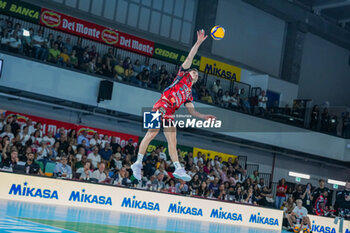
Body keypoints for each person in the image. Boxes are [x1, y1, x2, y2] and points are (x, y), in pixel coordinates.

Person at [131, 30, 215, 182]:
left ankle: (178, 168)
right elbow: (190, 57)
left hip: (170, 112)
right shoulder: (181, 75)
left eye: (197, 74)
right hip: (161, 104)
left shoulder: (189, 94)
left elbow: (192, 111)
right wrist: (198, 43)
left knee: (173, 140)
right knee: (152, 133)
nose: (195, 73)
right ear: (187, 72)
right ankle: (137, 163)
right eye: (193, 71)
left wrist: (204, 116)